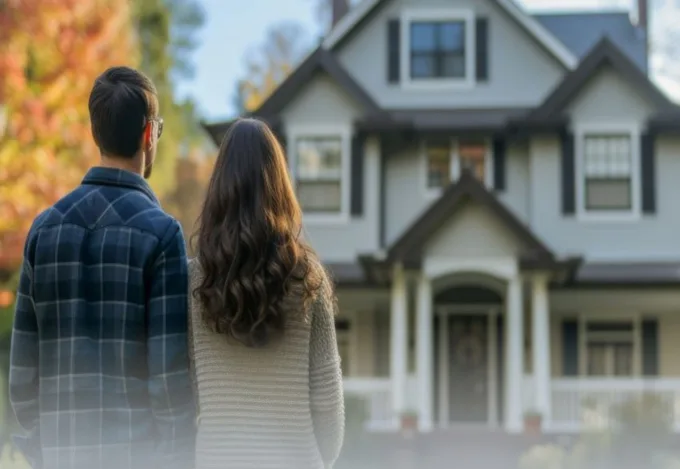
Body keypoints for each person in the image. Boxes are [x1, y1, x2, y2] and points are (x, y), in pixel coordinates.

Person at [9, 66, 195, 469]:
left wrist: (47, 451)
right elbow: (169, 384)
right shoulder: (162, 235)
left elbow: (23, 380)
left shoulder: (43, 232)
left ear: (96, 135)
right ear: (149, 134)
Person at [190, 118, 344, 469]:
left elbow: (188, 391)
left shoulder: (193, 281)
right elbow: (328, 404)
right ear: (279, 187)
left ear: (219, 188)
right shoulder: (308, 280)